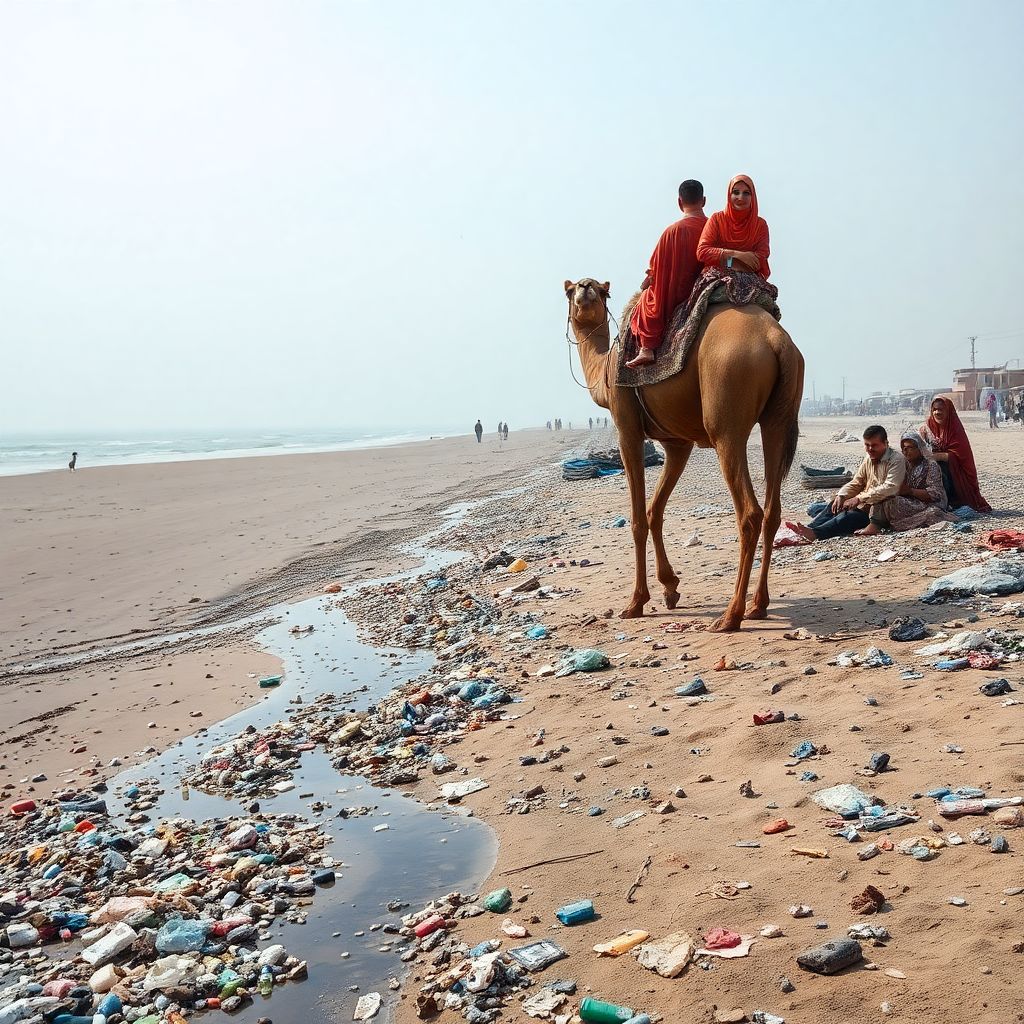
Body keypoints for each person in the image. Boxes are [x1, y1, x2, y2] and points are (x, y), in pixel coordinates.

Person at [625, 179, 708, 368]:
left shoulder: (671, 232)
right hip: (708, 285)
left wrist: (647, 283)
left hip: (678, 295)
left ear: (680, 203)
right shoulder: (715, 227)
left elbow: (655, 271)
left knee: (646, 300)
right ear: (703, 201)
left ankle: (647, 348)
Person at [790, 426, 906, 541]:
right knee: (834, 506)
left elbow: (891, 487)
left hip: (880, 510)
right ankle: (810, 528)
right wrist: (842, 495)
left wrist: (859, 498)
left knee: (847, 517)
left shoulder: (896, 459)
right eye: (867, 445)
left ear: (885, 443)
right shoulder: (869, 457)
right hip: (863, 503)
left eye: (874, 445)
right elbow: (857, 481)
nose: (870, 449)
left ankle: (815, 534)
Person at [919, 396, 991, 512]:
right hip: (934, 465)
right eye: (934, 409)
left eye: (941, 409)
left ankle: (949, 501)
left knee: (941, 473)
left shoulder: (955, 428)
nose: (937, 412)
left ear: (948, 411)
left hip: (955, 470)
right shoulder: (929, 425)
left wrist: (935, 457)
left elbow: (958, 456)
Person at [874, 432, 956, 532]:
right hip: (911, 502)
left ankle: (898, 523)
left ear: (919, 448)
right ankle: (877, 524)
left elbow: (935, 494)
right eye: (903, 448)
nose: (905, 451)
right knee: (888, 501)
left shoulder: (931, 465)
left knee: (933, 514)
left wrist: (910, 491)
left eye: (910, 448)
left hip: (930, 504)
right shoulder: (903, 464)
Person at [696, 174, 771, 280]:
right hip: (716, 277)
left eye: (746, 193)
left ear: (753, 197)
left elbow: (761, 257)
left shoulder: (760, 224)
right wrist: (736, 255)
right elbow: (702, 252)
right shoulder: (717, 219)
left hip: (750, 278)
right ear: (729, 195)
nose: (740, 198)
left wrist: (727, 259)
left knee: (763, 297)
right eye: (736, 192)